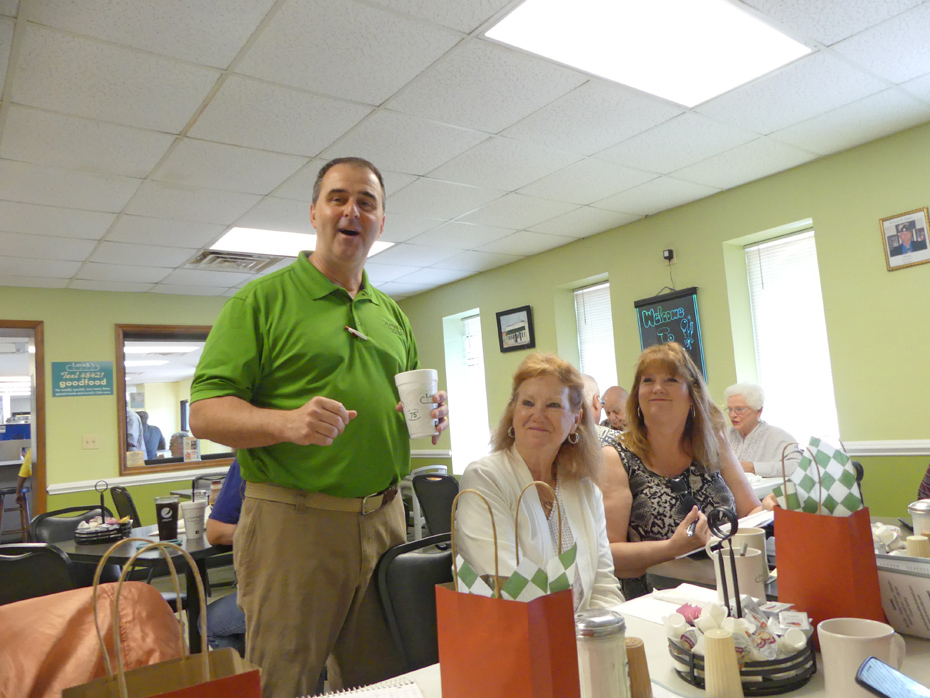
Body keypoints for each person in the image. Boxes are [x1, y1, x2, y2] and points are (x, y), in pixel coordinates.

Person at [189, 156, 449, 697]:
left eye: (366, 202)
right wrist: (285, 423)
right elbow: (205, 412)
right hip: (293, 522)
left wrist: (430, 414)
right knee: (284, 680)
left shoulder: (391, 313)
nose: (351, 210)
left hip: (384, 519)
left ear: (381, 222)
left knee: (381, 679)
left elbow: (401, 406)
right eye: (338, 198)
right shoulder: (260, 301)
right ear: (314, 212)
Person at [455, 353, 624, 612]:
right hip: (520, 642)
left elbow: (603, 588)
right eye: (528, 402)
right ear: (513, 412)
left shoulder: (586, 491)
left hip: (587, 640)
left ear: (575, 421)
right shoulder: (484, 478)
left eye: (553, 405)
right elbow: (513, 590)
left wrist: (607, 639)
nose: (537, 414)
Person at [600, 342, 761, 599]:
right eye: (648, 380)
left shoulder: (713, 442)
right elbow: (608, 554)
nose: (658, 388)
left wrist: (775, 512)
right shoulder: (616, 457)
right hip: (653, 601)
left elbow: (751, 511)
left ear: (692, 394)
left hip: (727, 590)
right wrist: (672, 548)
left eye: (671, 380)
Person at [204, 460, 246, 657]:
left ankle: (247, 683)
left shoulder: (252, 460)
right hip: (337, 585)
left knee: (207, 622)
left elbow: (216, 532)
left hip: (281, 592)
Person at [723, 383, 801, 477]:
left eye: (739, 409)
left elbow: (797, 466)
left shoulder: (778, 436)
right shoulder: (723, 435)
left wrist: (754, 468)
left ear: (758, 411)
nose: (732, 415)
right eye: (730, 409)